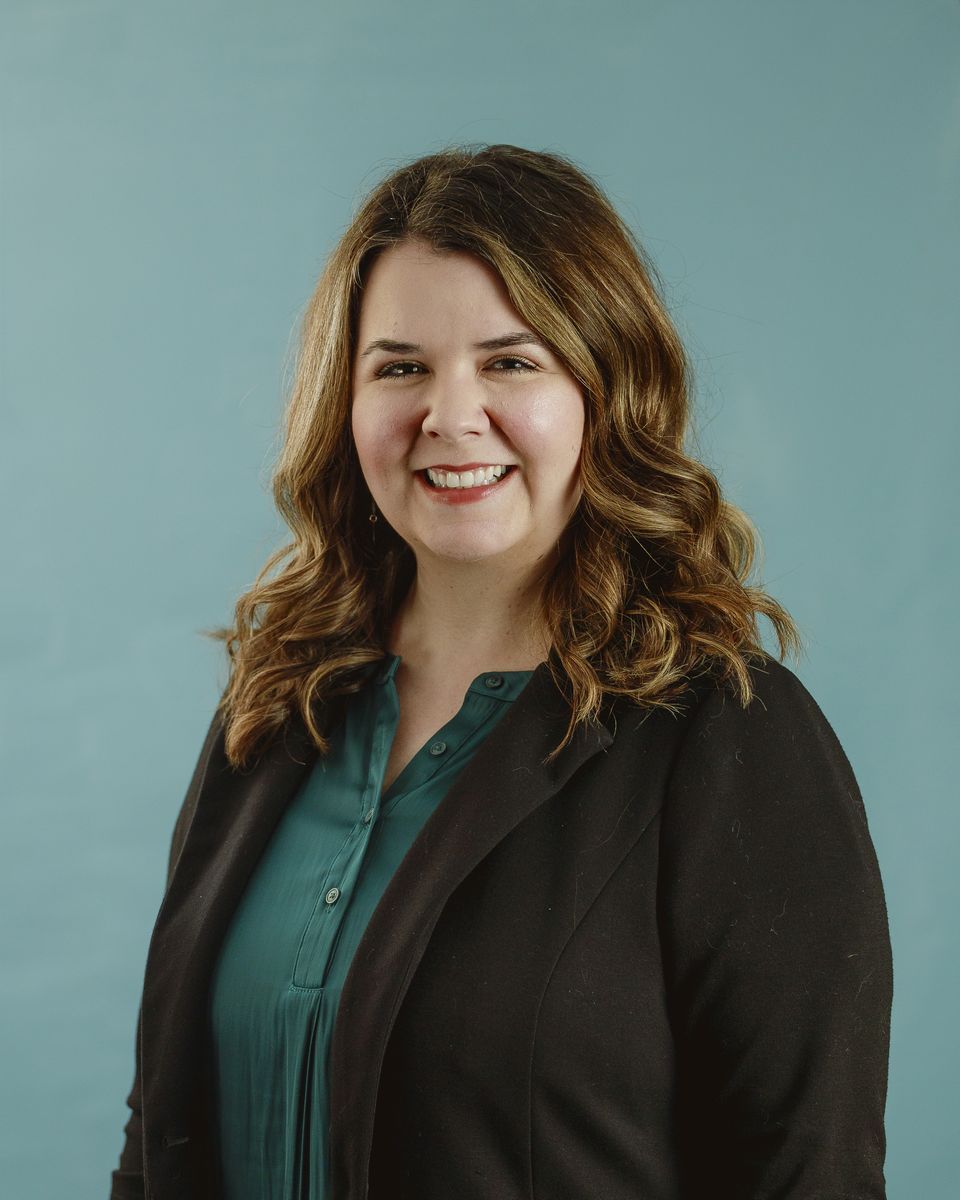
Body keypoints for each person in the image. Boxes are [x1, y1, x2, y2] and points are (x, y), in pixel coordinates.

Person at [109, 143, 893, 1200]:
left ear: (603, 389)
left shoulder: (729, 739)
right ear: (346, 404)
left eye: (511, 361)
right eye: (400, 366)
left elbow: (807, 1174)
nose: (450, 414)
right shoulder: (279, 707)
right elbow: (158, 1131)